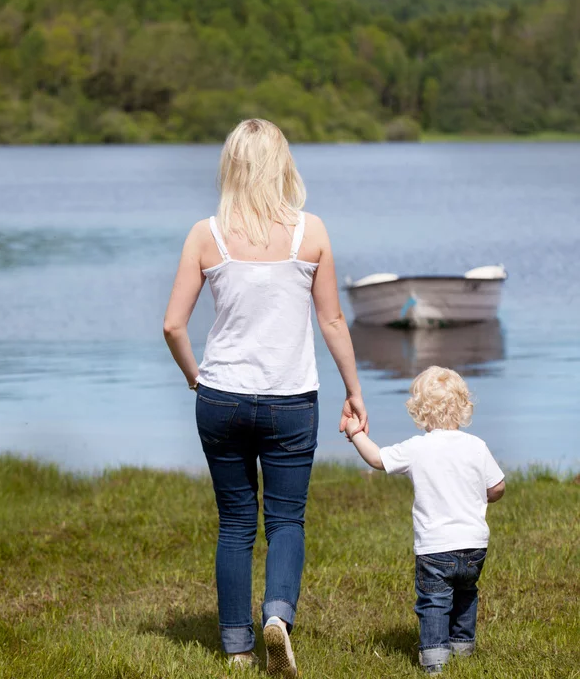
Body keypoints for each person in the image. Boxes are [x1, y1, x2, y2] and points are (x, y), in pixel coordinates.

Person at [163, 118, 368, 675]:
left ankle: (235, 647)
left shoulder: (206, 234)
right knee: (285, 522)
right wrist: (353, 389)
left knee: (234, 521)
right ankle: (277, 615)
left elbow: (173, 327)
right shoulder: (312, 231)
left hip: (221, 397)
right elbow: (331, 319)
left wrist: (194, 379)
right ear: (283, 164)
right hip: (292, 400)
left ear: (231, 165)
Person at [345, 365, 505, 674]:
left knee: (435, 600)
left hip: (435, 547)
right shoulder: (476, 446)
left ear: (419, 410)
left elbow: (377, 459)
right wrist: (487, 497)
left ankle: (434, 659)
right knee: (466, 594)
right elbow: (497, 486)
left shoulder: (417, 447)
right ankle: (462, 647)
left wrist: (355, 433)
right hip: (474, 546)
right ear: (463, 406)